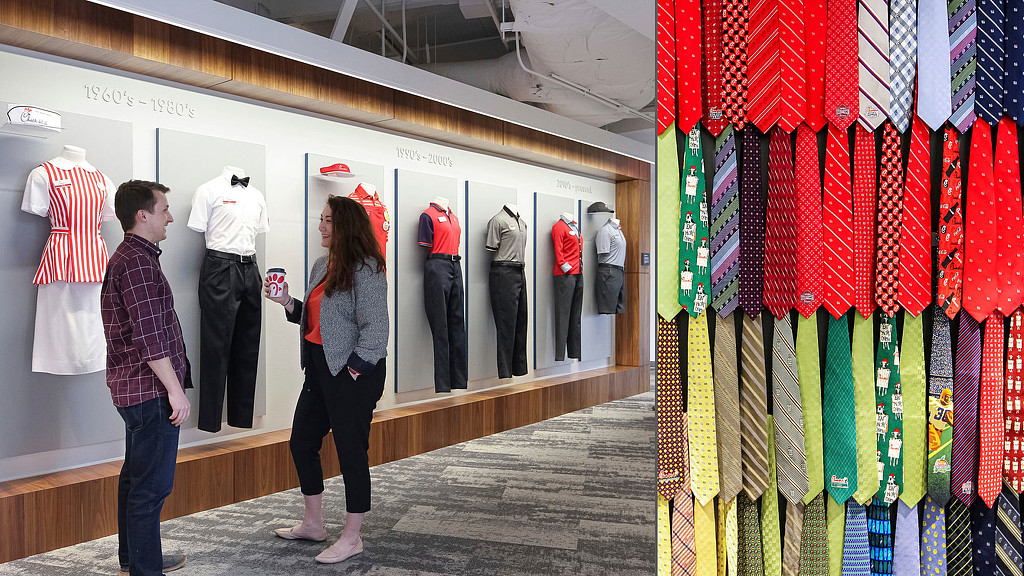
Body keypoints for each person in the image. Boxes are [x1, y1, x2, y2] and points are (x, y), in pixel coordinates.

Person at [266, 195, 389, 564]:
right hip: (319, 369)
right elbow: (320, 321)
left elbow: (377, 328)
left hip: (353, 373)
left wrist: (355, 369)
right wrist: (288, 301)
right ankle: (313, 524)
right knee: (302, 441)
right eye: (321, 219)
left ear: (346, 225)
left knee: (351, 451)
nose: (321, 226)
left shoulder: (368, 268)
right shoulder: (322, 264)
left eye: (328, 220)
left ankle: (353, 537)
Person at [101, 180, 190, 576]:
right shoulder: (137, 262)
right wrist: (176, 391)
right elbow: (150, 337)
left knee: (135, 480)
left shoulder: (132, 257)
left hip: (133, 389)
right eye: (164, 209)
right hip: (149, 390)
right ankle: (144, 569)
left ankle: (136, 561)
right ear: (143, 215)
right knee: (150, 488)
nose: (170, 216)